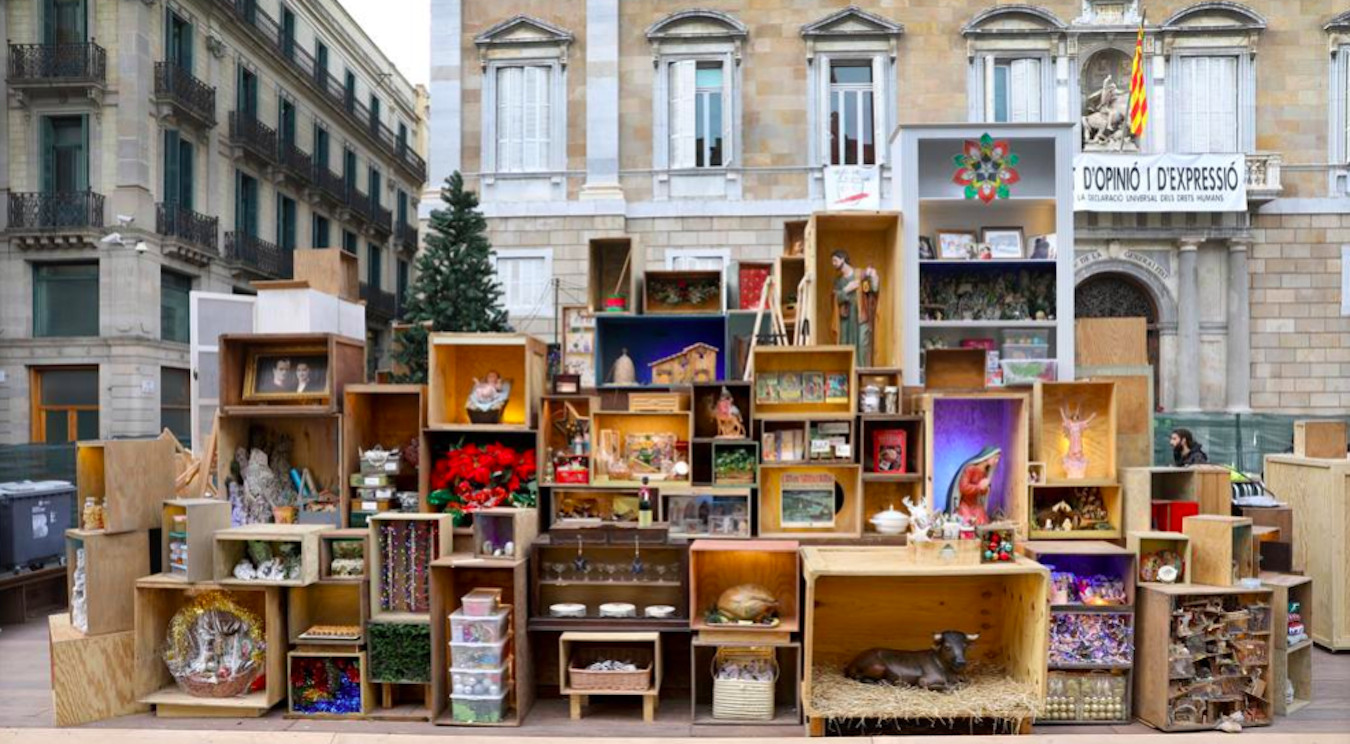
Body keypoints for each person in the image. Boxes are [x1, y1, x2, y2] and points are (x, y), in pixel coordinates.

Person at [945, 446, 1002, 526]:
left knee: (981, 522)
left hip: (975, 505)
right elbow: (963, 487)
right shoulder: (970, 469)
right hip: (965, 504)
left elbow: (982, 492)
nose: (997, 461)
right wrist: (979, 487)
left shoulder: (985, 473)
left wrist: (985, 489)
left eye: (998, 459)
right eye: (995, 458)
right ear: (987, 457)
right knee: (967, 523)